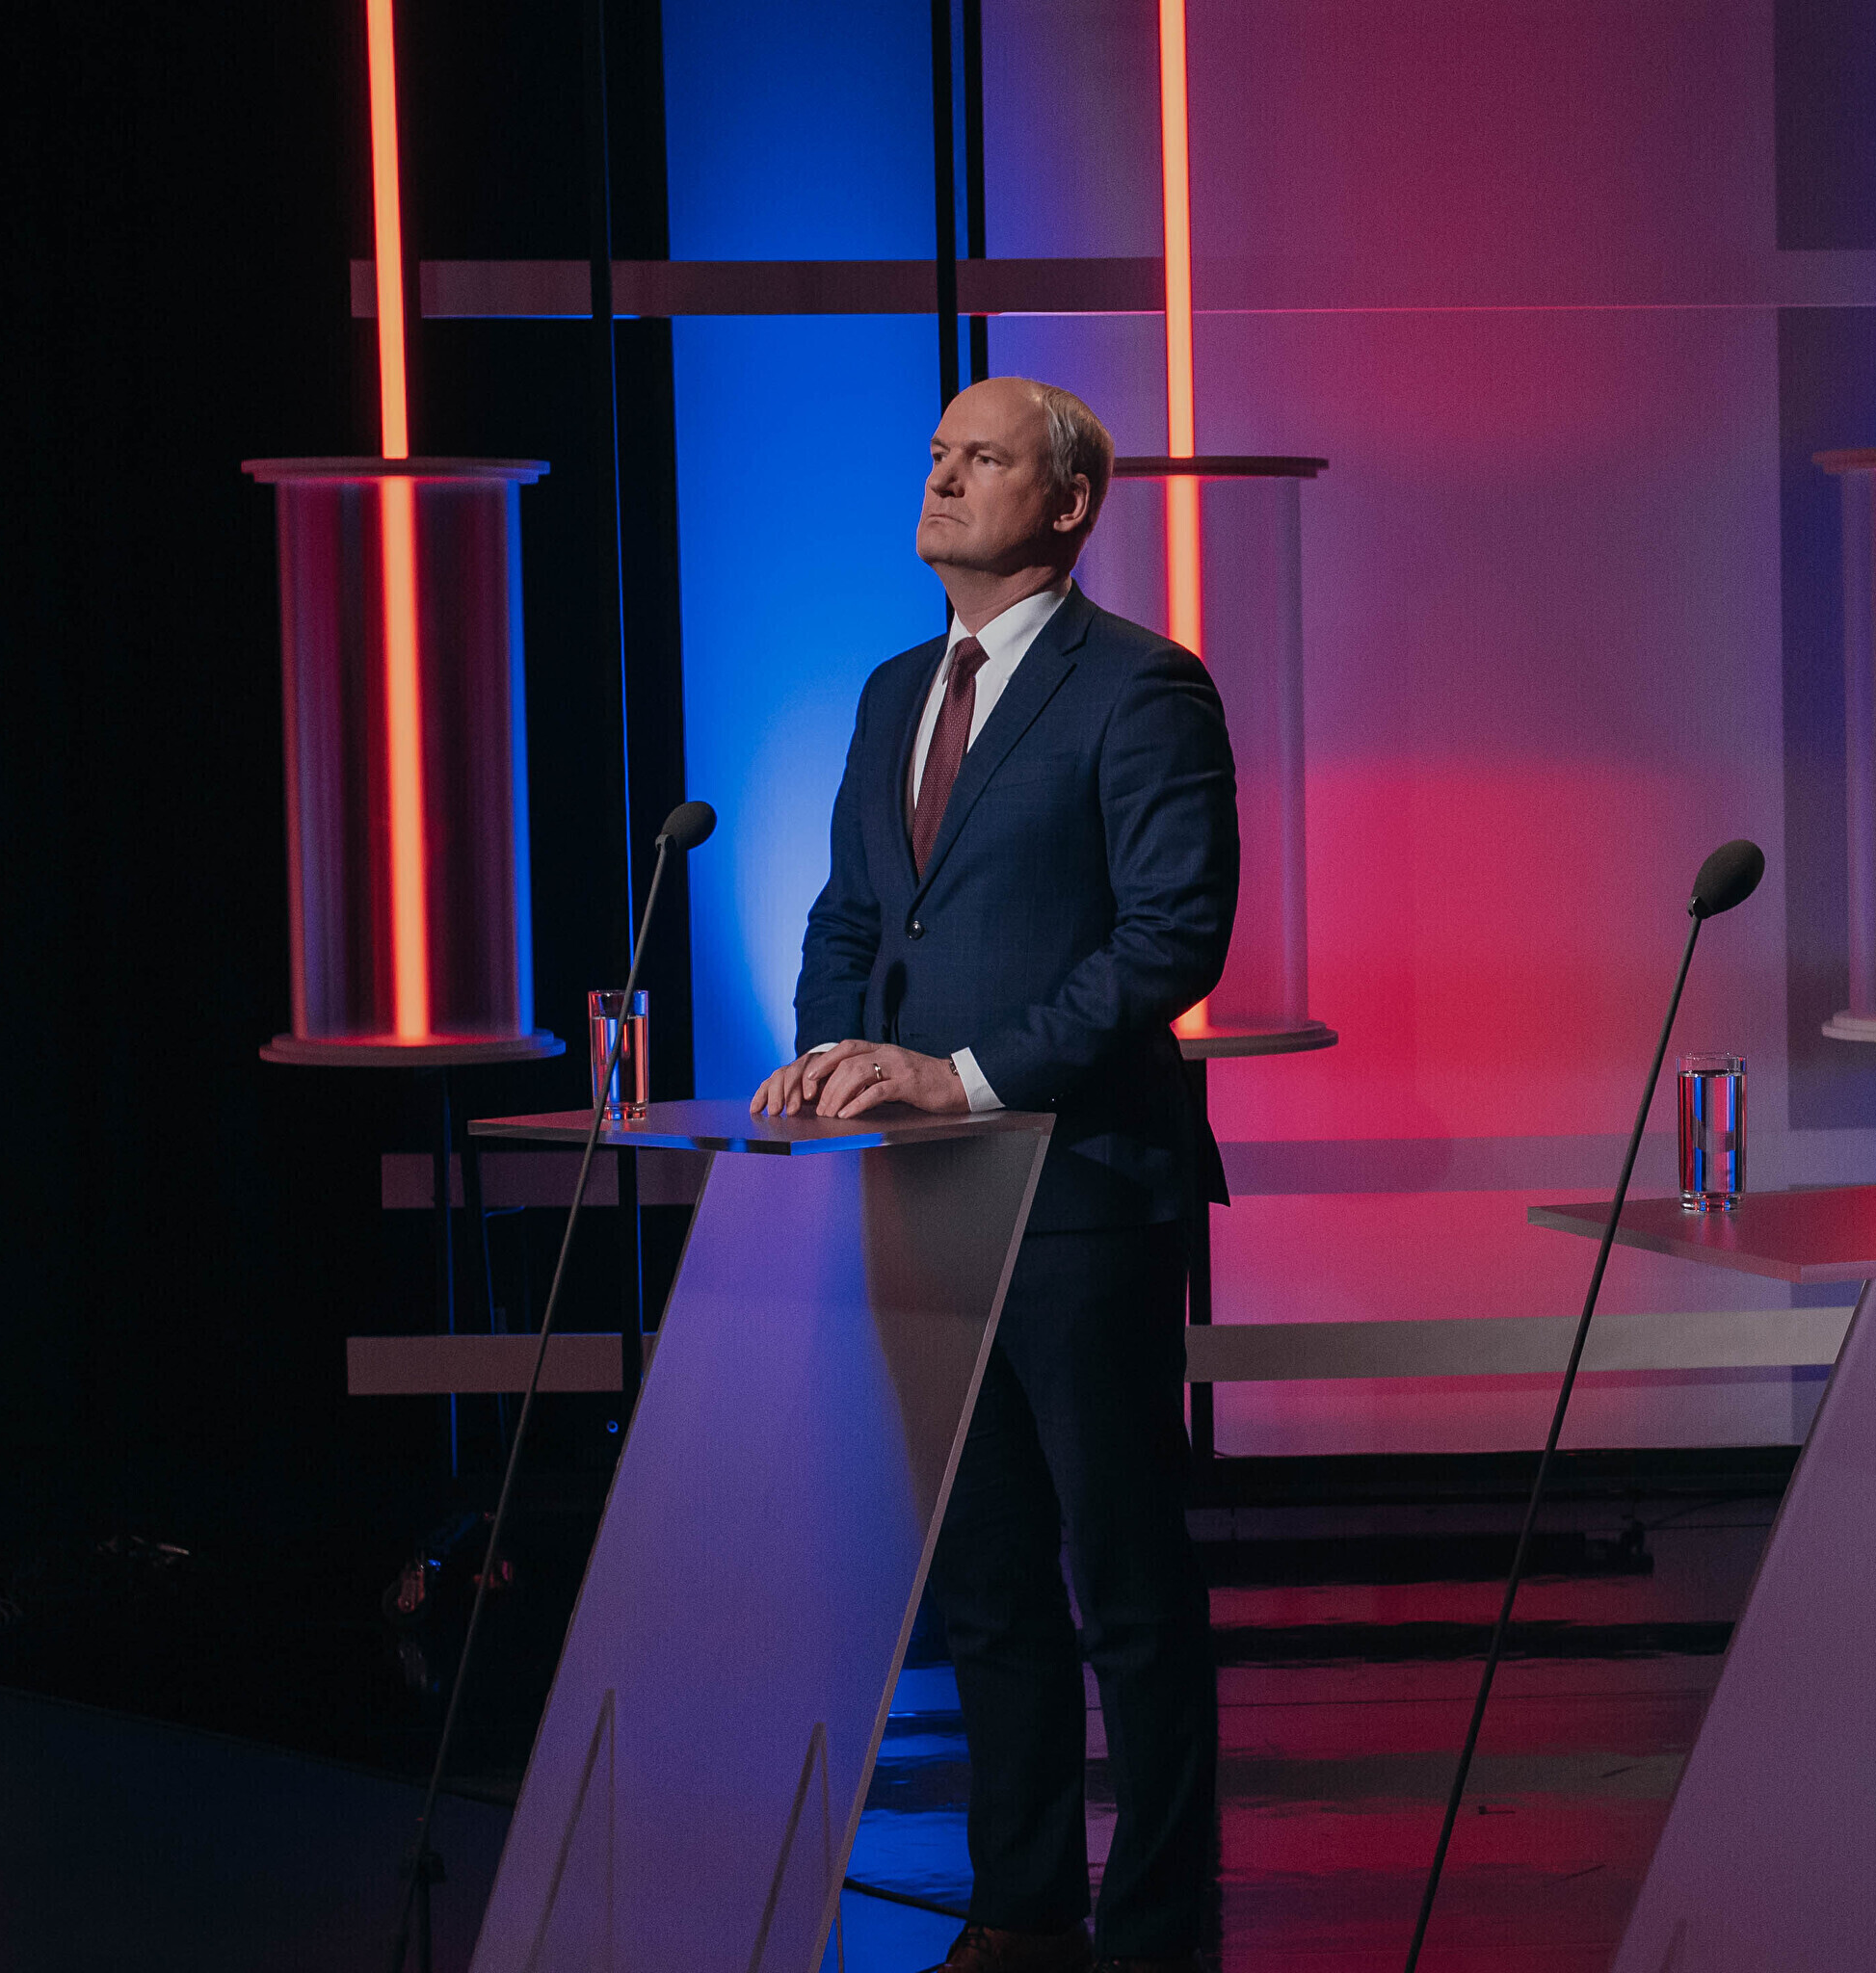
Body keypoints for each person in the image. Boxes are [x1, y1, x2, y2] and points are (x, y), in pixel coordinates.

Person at [753, 377, 1235, 1973]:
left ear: (1070, 501)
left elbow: (1168, 942)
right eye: (936, 453)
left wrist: (958, 1077)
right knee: (984, 1585)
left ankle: (1156, 1927)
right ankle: (1022, 1908)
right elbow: (851, 916)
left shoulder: (1142, 687)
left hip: (1079, 1192)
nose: (944, 477)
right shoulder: (896, 688)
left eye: (984, 458)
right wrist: (836, 1059)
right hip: (922, 1197)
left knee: (1127, 1588)